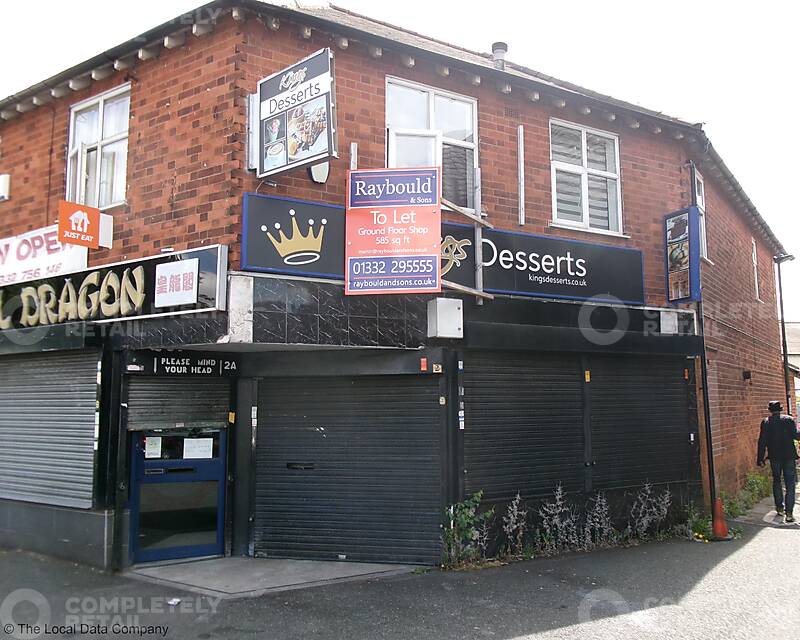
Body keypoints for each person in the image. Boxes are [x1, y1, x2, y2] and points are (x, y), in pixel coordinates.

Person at [757, 401, 800, 522]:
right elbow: (796, 436)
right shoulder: (789, 420)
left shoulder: (766, 422)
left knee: (777, 481)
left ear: (770, 410)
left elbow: (762, 441)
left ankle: (779, 507)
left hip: (775, 456)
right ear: (781, 409)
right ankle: (789, 513)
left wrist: (760, 458)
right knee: (790, 483)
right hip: (789, 456)